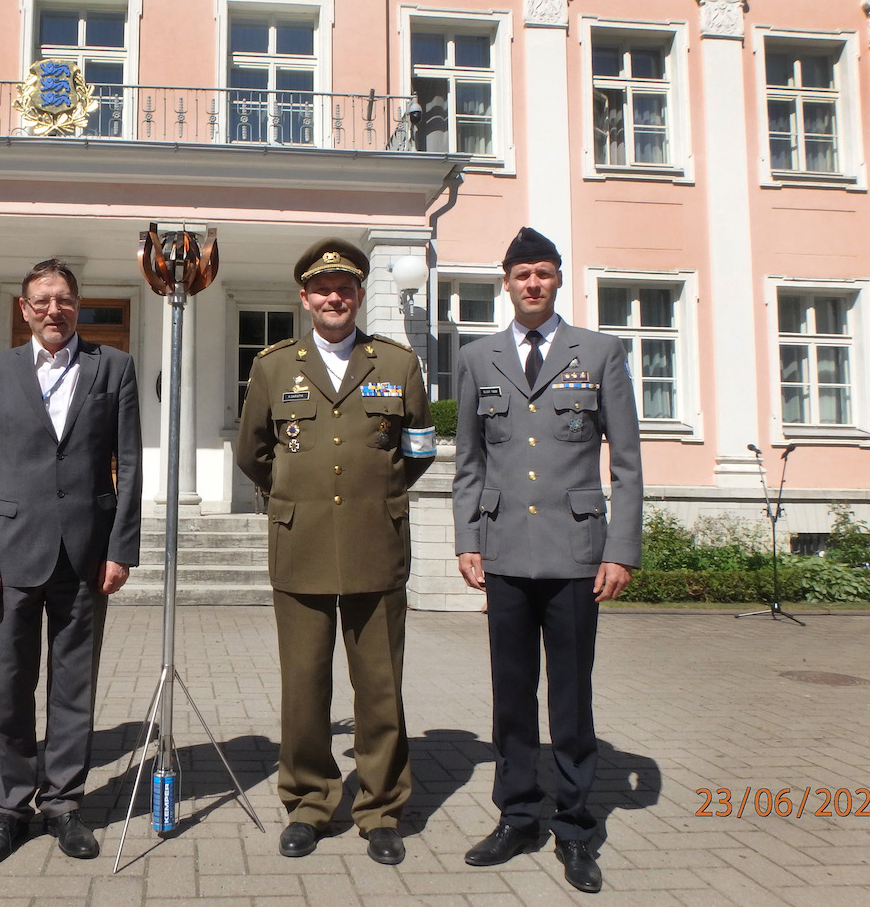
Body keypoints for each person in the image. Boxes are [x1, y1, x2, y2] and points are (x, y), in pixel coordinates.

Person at [452, 227, 642, 894]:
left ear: (558, 279)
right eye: (521, 274)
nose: (532, 283)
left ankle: (576, 825)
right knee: (511, 697)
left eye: (543, 273)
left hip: (575, 555)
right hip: (504, 552)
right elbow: (469, 462)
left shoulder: (600, 352)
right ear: (505, 283)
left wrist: (621, 549)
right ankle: (518, 815)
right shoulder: (478, 357)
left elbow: (626, 462)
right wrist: (466, 539)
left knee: (570, 697)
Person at [235, 238, 435, 866]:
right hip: (302, 543)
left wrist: (382, 493)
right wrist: (296, 495)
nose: (333, 299)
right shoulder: (273, 366)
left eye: (344, 289)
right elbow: (253, 452)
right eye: (322, 290)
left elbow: (421, 447)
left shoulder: (398, 364)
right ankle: (309, 802)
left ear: (356, 296)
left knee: (380, 686)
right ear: (305, 299)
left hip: (377, 540)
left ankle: (380, 810)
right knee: (304, 684)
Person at [0, 258, 143, 866]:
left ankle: (63, 804)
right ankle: (10, 807)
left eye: (64, 299)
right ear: (24, 308)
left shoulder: (112, 366)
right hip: (10, 557)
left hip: (85, 556)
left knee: (74, 688)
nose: (53, 310)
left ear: (78, 305)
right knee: (11, 685)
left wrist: (121, 549)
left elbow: (129, 463)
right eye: (41, 300)